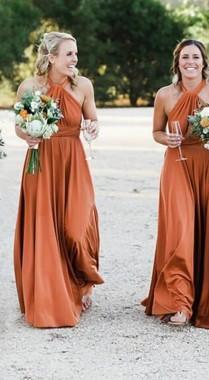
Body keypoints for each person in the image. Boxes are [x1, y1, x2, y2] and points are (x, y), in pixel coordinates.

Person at [142, 39, 209, 330]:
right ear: (177, 61)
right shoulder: (164, 95)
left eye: (196, 57)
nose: (191, 62)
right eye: (185, 57)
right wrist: (167, 138)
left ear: (204, 61)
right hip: (177, 162)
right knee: (180, 229)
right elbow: (156, 132)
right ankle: (179, 302)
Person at [14, 32, 103, 328]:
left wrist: (92, 129)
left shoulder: (83, 86)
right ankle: (51, 295)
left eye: (76, 54)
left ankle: (81, 282)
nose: (74, 59)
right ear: (51, 57)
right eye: (68, 54)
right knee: (46, 230)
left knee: (77, 227)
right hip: (41, 163)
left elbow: (92, 119)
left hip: (73, 161)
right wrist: (27, 136)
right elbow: (19, 127)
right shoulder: (29, 87)